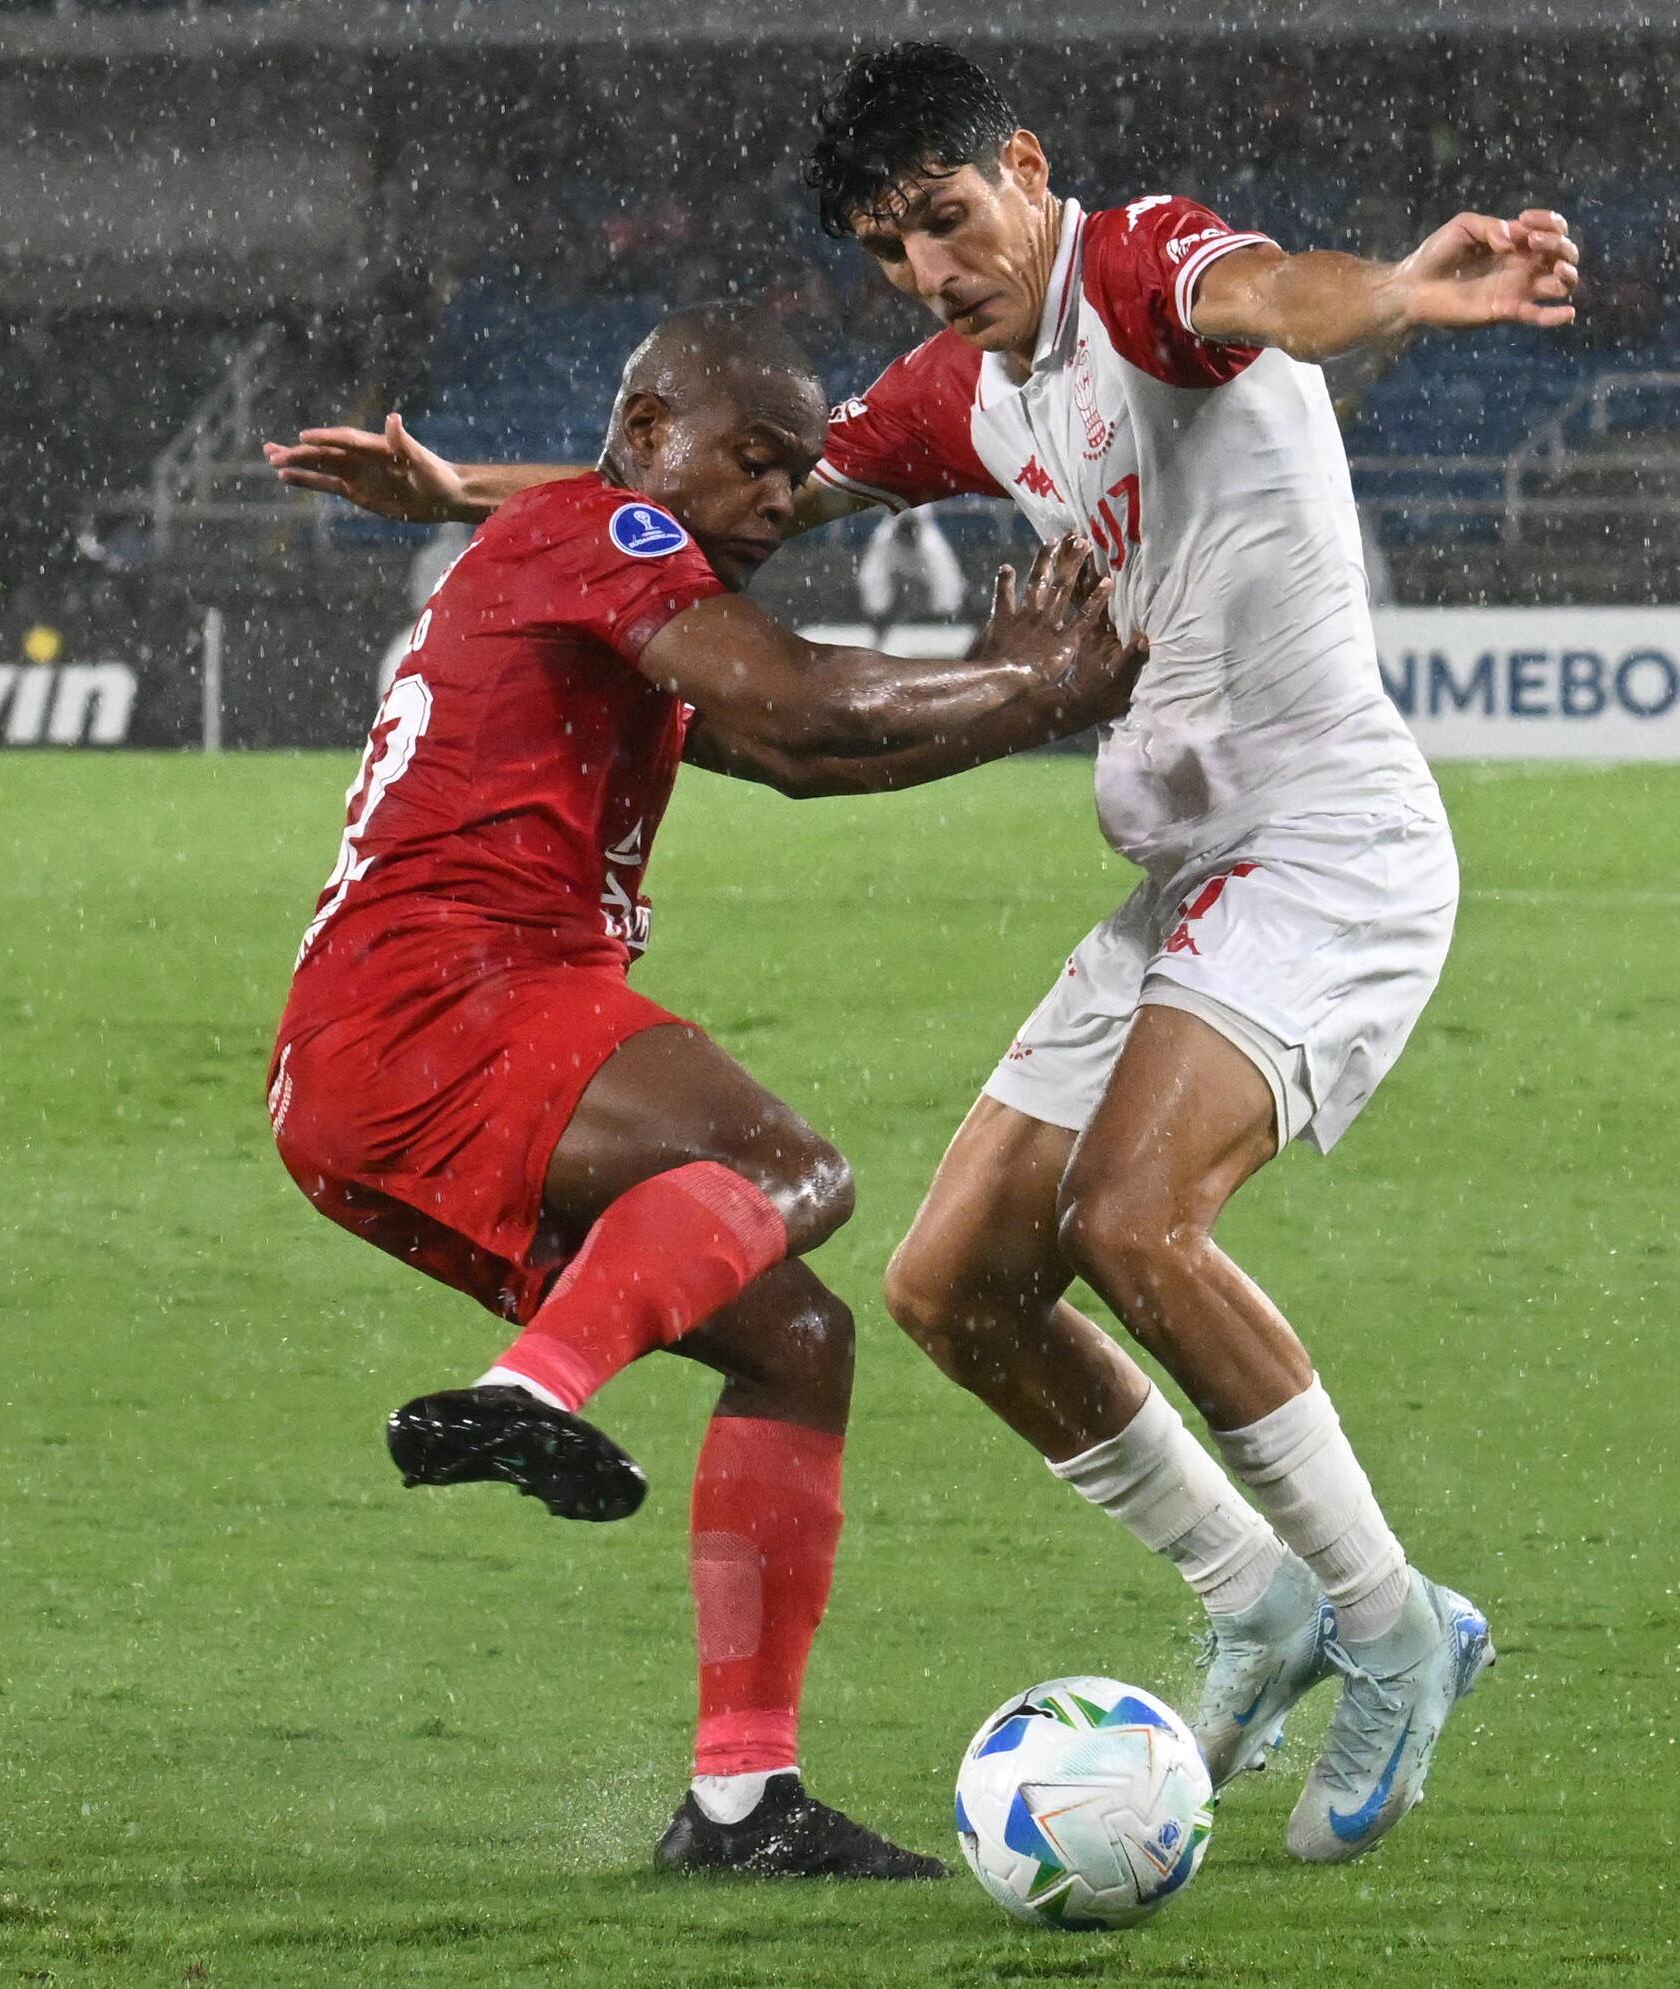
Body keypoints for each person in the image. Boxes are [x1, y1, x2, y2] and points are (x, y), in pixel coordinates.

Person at [265, 41, 1579, 1864]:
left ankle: (1385, 1618)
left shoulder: (1138, 273)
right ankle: (1251, 1592)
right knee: (949, 1285)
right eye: (892, 248)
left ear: (1024, 169)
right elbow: (743, 503)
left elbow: (1274, 294)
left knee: (1130, 1218)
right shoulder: (968, 392)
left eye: (948, 220)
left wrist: (1405, 299)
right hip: (1187, 868)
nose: (932, 271)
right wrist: (464, 496)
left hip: (1324, 843)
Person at [267, 303, 1136, 1880]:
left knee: (796, 1340)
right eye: (751, 458)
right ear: (649, 428)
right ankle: (529, 1391)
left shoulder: (590, 568)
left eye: (799, 469)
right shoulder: (603, 526)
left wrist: (1026, 702)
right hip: (442, 998)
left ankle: (740, 1804)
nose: (782, 497)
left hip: (376, 1070)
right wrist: (1023, 688)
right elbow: (800, 700)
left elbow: (801, 756)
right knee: (788, 1166)